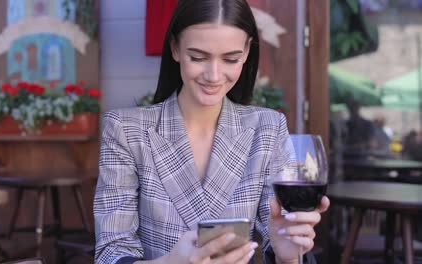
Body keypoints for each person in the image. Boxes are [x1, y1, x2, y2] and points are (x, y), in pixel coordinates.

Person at [94, 1, 329, 263]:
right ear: (175, 48)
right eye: (198, 57)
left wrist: (288, 256)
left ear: (247, 51)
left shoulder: (267, 128)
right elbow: (111, 253)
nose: (214, 75)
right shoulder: (126, 130)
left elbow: (279, 232)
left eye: (230, 59)